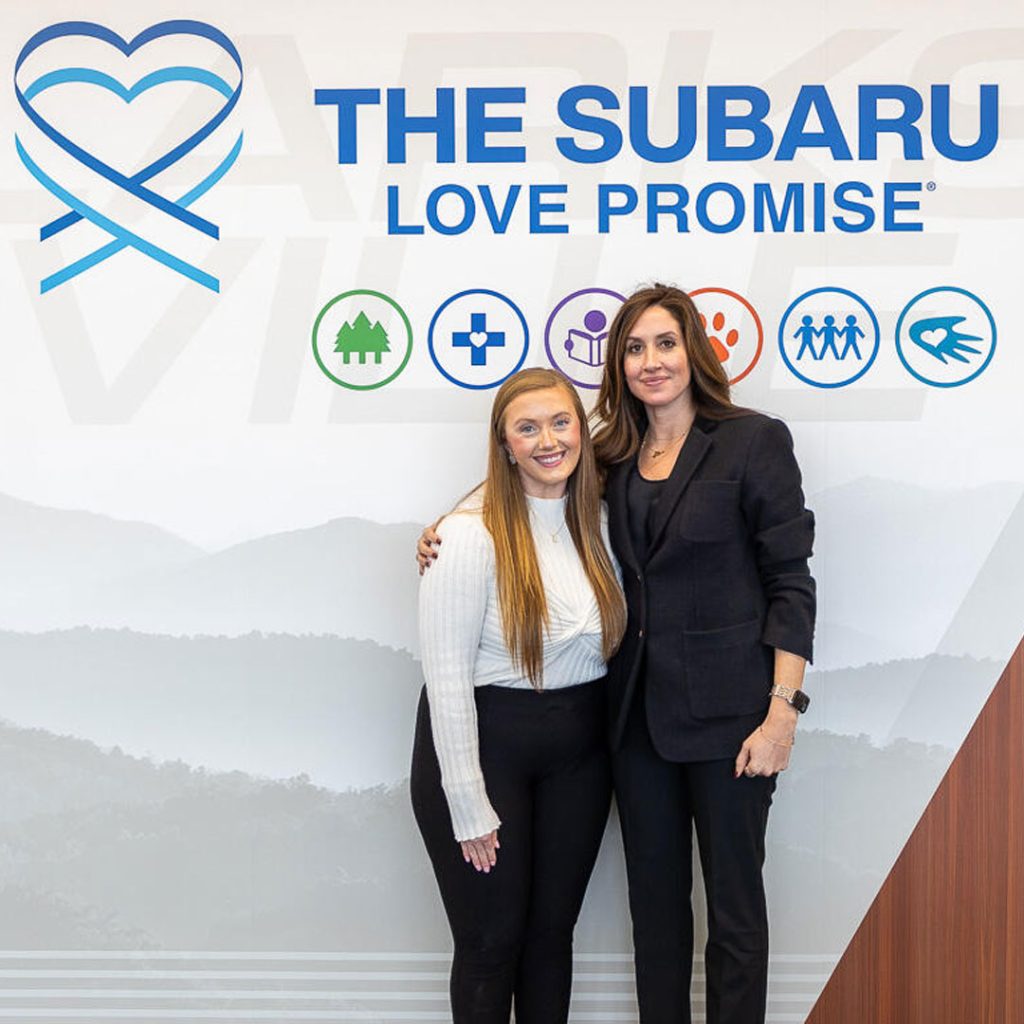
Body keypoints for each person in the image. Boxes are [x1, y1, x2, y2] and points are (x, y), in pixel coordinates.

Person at [419, 285, 815, 1024]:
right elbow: (532, 466)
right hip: (634, 723)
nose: (650, 361)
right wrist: (448, 523)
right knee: (655, 919)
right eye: (634, 348)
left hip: (733, 723)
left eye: (665, 343)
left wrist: (781, 712)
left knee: (734, 915)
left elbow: (790, 583)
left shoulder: (752, 441)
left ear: (694, 349)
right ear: (618, 365)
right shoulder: (616, 453)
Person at [410, 367, 626, 1024]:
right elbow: (445, 679)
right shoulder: (466, 536)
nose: (547, 440)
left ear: (583, 434)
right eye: (526, 428)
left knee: (548, 942)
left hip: (580, 756)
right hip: (487, 750)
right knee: (489, 943)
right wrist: (468, 804)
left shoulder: (606, 524)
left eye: (561, 423)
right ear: (504, 444)